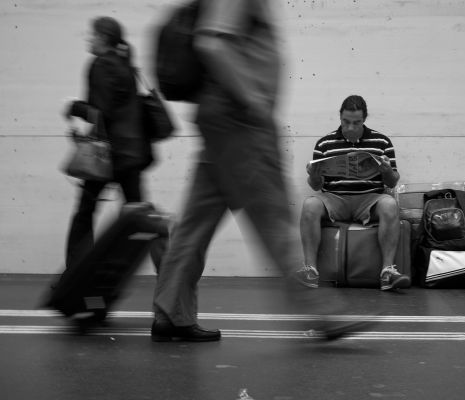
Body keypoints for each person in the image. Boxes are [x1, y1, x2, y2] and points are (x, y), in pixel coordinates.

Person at [151, 0, 369, 342]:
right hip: (240, 121)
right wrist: (253, 100)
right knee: (273, 220)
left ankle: (170, 311)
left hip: (223, 120)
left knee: (194, 224)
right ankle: (321, 311)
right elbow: (212, 42)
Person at [63, 16, 153, 269]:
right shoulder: (126, 65)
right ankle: (162, 266)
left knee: (84, 214)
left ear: (102, 38)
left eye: (91, 35)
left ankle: (77, 270)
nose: (88, 39)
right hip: (132, 154)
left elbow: (101, 112)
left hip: (106, 155)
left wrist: (73, 106)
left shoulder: (100, 65)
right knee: (139, 215)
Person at [297, 95, 411, 291]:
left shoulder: (382, 142)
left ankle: (388, 272)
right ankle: (310, 270)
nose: (350, 127)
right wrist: (314, 175)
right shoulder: (324, 144)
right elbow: (316, 186)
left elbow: (391, 182)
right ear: (340, 117)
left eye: (356, 123)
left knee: (390, 204)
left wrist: (386, 171)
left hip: (369, 199)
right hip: (335, 199)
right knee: (310, 204)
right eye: (346, 122)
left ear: (364, 119)